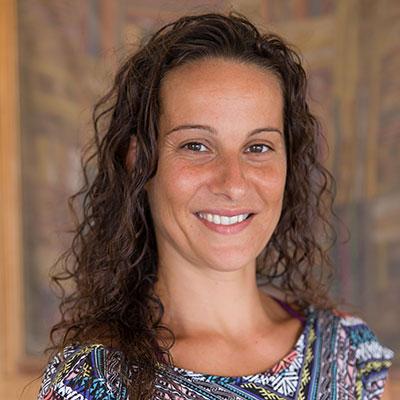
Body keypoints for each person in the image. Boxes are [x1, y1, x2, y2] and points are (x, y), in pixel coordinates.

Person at [37, 11, 394, 400]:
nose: (233, 183)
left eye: (258, 147)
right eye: (196, 146)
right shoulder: (93, 383)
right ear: (139, 161)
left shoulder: (349, 353)